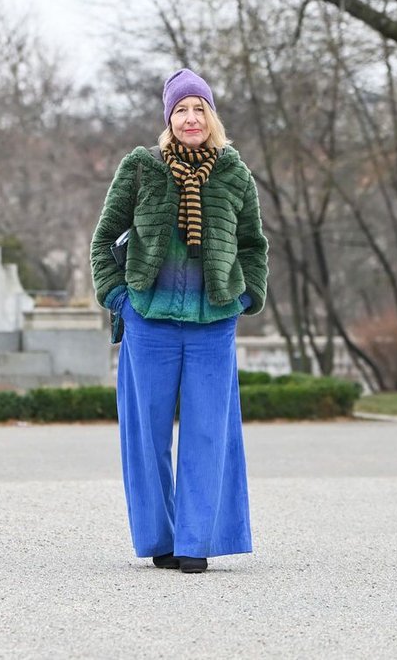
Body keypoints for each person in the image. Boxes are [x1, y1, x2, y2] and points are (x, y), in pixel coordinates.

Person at [91, 67, 269, 574]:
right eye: (181, 110)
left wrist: (247, 296)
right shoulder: (142, 168)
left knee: (210, 432)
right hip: (149, 320)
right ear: (169, 120)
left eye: (199, 109)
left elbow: (254, 245)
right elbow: (105, 238)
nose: (191, 118)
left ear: (212, 117)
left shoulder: (234, 173)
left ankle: (197, 541)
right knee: (146, 434)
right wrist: (119, 298)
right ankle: (159, 539)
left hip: (215, 322)